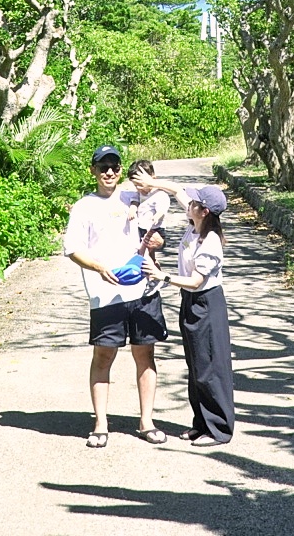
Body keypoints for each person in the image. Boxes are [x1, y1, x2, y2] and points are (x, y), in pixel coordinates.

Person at [62, 144, 169, 447]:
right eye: (103, 166)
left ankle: (146, 422)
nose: (109, 172)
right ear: (93, 171)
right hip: (105, 295)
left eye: (115, 166)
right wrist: (98, 267)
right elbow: (72, 249)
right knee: (104, 355)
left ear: (122, 170)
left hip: (143, 289)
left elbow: (157, 227)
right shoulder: (84, 206)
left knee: (145, 354)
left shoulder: (133, 196)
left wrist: (158, 241)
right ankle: (100, 424)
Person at [136, 175, 234, 447]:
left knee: (210, 368)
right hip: (190, 302)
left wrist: (161, 275)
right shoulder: (196, 225)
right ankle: (200, 423)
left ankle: (219, 430)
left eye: (194, 202)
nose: (187, 203)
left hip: (207, 303)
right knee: (195, 366)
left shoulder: (211, 241)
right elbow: (178, 190)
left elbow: (196, 281)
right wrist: (151, 181)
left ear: (204, 211)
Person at [128, 159, 170, 297]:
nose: (139, 189)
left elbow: (163, 209)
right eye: (136, 185)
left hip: (154, 229)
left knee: (146, 256)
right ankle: (157, 277)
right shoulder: (140, 193)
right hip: (143, 228)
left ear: (152, 178)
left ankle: (154, 278)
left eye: (141, 185)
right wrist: (133, 209)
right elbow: (135, 200)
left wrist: (156, 216)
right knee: (149, 256)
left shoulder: (159, 194)